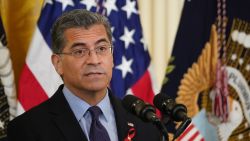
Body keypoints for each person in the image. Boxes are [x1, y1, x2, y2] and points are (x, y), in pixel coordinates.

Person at [7, 9, 161, 141]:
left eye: (101, 49)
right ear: (58, 63)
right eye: (79, 51)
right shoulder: (27, 130)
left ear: (112, 56)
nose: (94, 60)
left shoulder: (145, 124)